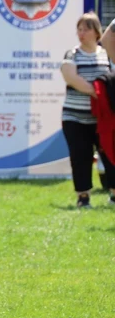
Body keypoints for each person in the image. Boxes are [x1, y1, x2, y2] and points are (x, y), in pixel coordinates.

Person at [59, 12, 113, 208]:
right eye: (79, 29)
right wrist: (100, 93)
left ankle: (113, 194)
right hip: (75, 117)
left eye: (86, 29)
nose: (81, 33)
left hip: (102, 119)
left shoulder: (106, 54)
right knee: (80, 156)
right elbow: (71, 78)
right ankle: (83, 198)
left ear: (97, 32)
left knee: (110, 154)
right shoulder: (71, 54)